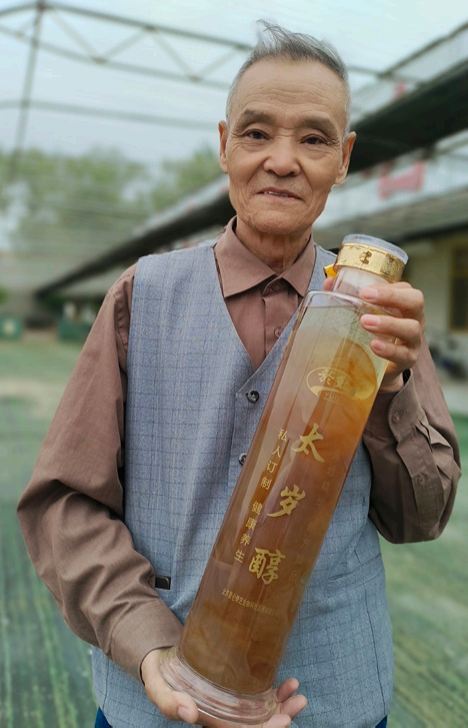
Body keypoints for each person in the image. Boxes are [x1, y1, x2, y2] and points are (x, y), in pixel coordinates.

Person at [18, 22, 460, 728]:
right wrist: (150, 644)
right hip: (157, 697)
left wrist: (392, 387)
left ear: (343, 159)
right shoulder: (143, 295)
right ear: (224, 144)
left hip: (334, 697)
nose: (282, 161)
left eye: (314, 139)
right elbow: (65, 502)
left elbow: (421, 517)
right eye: (257, 134)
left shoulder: (381, 313)